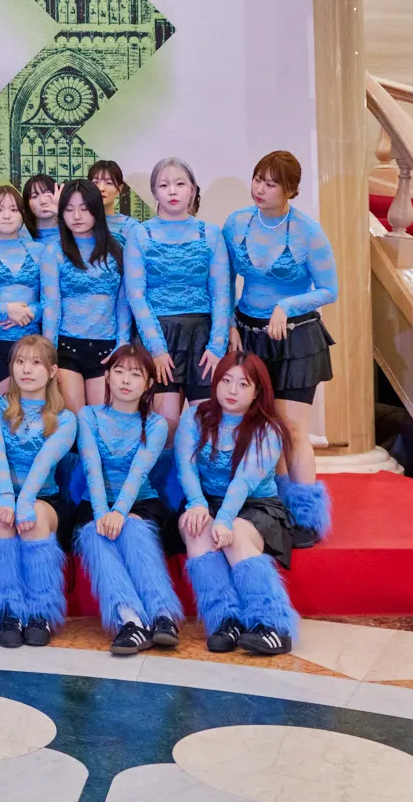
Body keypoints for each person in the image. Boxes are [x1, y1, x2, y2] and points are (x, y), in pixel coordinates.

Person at [224, 151, 337, 543]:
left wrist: (286, 306)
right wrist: (229, 324)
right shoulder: (236, 223)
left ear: (290, 190)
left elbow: (329, 290)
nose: (260, 189)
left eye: (271, 184)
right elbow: (224, 280)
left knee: (292, 428)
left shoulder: (308, 232)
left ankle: (306, 516)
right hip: (249, 334)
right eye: (258, 179)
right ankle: (273, 507)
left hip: (296, 337)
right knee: (261, 426)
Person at [177, 354, 302, 657]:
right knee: (194, 528)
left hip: (258, 506)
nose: (232, 391)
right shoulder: (195, 417)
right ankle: (225, 620)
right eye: (226, 381)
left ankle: (273, 625)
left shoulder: (268, 429)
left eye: (243, 384)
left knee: (236, 534)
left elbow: (244, 481)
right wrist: (197, 503)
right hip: (206, 500)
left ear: (257, 391)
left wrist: (223, 519)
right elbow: (185, 466)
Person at [73, 345, 183, 655]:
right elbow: (92, 467)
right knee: (96, 535)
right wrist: (102, 513)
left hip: (140, 501)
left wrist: (120, 512)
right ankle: (130, 620)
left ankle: (163, 615)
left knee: (134, 529)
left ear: (148, 383)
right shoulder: (88, 416)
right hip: (95, 503)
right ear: (107, 376)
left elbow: (138, 473)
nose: (125, 380)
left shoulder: (156, 424)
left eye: (135, 374)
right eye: (119, 371)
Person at [0, 336, 77, 649]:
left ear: (52, 371)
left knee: (36, 521)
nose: (26, 370)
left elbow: (44, 462)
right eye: (20, 362)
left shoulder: (66, 418)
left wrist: (25, 502)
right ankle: (7, 611)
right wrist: (7, 498)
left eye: (35, 363)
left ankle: (39, 611)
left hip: (43, 497)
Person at [122, 157, 229, 422]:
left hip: (203, 337)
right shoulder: (139, 234)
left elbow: (221, 294)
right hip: (158, 334)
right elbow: (136, 296)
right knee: (165, 424)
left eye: (180, 184)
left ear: (192, 189)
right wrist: (157, 349)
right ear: (154, 191)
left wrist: (217, 346)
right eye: (164, 185)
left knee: (206, 424)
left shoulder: (211, 233)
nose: (172, 191)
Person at [0, 185, 60, 401]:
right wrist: (5, 310)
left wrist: (31, 312)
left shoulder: (40, 251)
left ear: (22, 214)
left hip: (31, 345)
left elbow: (51, 302)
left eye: (13, 209)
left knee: (31, 411)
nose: (7, 216)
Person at [54, 178, 130, 411]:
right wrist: (49, 355)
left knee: (102, 420)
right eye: (69, 209)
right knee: (74, 420)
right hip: (66, 347)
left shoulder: (117, 250)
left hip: (107, 348)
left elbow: (123, 302)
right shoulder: (54, 251)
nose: (76, 216)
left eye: (84, 209)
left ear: (96, 209)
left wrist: (123, 343)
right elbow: (50, 306)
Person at [90, 158, 150, 229]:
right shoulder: (80, 221)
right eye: (95, 182)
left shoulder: (130, 227)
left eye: (109, 183)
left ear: (119, 189)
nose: (101, 188)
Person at [24, 173, 62, 247]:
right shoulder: (21, 235)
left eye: (47, 193)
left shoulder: (74, 232)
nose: (43, 201)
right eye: (34, 196)